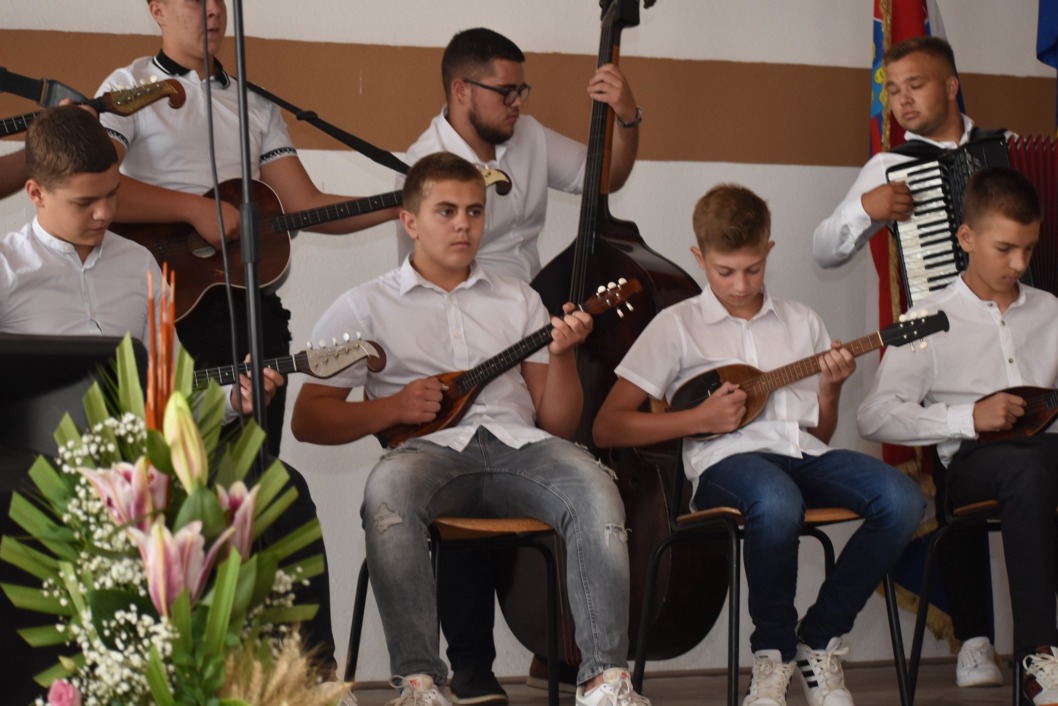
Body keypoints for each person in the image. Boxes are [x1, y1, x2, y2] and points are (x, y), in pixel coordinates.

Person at [93, 0, 396, 673]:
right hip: (167, 314)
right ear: (156, 8)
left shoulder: (256, 106)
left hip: (251, 318)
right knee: (178, 496)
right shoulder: (128, 86)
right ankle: (181, 660)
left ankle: (279, 672)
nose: (210, 11)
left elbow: (303, 205)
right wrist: (194, 209)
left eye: (219, 1)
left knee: (255, 492)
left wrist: (397, 204)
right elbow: (99, 184)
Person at [291, 152, 648, 706]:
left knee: (597, 488)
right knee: (387, 493)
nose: (463, 224)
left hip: (522, 448)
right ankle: (419, 684)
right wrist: (392, 409)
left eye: (474, 211)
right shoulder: (363, 306)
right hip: (427, 455)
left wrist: (562, 357)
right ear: (410, 221)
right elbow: (308, 418)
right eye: (446, 211)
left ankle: (605, 681)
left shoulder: (519, 297)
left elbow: (557, 421)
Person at [593, 183, 924, 706]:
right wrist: (697, 419)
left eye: (753, 268)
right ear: (699, 256)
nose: (741, 284)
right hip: (726, 465)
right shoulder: (676, 326)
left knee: (904, 500)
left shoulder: (802, 321)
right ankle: (773, 652)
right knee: (775, 500)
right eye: (724, 271)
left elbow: (818, 435)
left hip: (801, 456)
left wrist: (830, 389)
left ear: (769, 250)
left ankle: (819, 638)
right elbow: (607, 427)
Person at [0, 105, 284, 704]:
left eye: (112, 195)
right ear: (35, 193)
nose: (105, 214)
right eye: (85, 202)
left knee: (277, 488)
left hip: (140, 466)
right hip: (35, 473)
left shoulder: (140, 264)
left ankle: (283, 681)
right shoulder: (6, 269)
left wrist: (234, 400)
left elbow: (174, 386)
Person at [398, 27, 642, 701]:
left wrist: (627, 117)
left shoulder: (526, 135)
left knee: (555, 463)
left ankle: (573, 650)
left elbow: (604, 177)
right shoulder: (424, 163)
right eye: (505, 91)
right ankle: (471, 663)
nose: (518, 103)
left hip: (526, 316)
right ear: (461, 90)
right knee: (465, 465)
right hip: (455, 330)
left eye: (521, 89)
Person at [812, 35, 1007, 689]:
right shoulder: (892, 165)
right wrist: (864, 210)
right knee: (956, 479)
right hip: (941, 341)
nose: (901, 101)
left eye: (915, 86)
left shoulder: (1004, 152)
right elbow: (825, 248)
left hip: (1019, 336)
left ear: (950, 87)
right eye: (891, 91)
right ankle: (975, 639)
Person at [858, 167, 1058, 706]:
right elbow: (873, 416)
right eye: (1005, 249)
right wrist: (967, 417)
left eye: (1029, 249)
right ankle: (1039, 660)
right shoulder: (929, 319)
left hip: (1046, 453)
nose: (1019, 264)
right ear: (966, 238)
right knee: (1027, 472)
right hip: (972, 465)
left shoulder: (1052, 312)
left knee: (1036, 468)